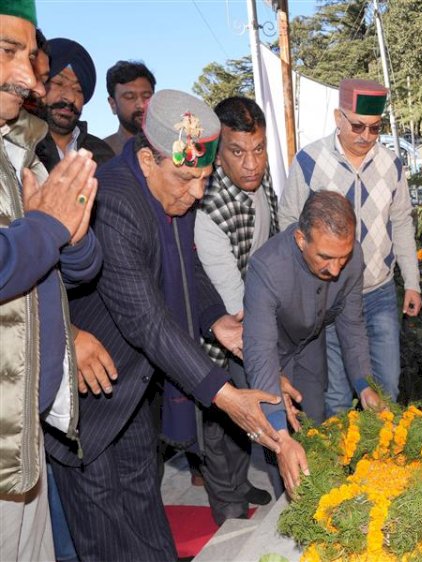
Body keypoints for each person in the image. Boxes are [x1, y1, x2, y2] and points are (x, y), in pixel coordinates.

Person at [43, 89, 284, 561]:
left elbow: (185, 266)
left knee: (149, 525)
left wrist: (218, 322)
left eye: (205, 177)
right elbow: (146, 319)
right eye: (185, 178)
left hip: (128, 392)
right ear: (149, 160)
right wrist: (226, 395)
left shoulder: (168, 190)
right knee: (107, 541)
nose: (197, 193)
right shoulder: (112, 201)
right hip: (85, 410)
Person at [1, 2, 101, 559]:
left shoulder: (23, 147)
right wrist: (47, 227)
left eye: (29, 57)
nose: (27, 76)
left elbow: (81, 268)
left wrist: (73, 232)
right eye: (6, 52)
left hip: (29, 424)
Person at [278, 78, 421, 418]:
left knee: (387, 390)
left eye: (375, 128)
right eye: (357, 125)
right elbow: (288, 222)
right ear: (337, 117)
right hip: (327, 295)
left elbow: (401, 222)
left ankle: (386, 467)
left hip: (379, 293)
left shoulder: (392, 164)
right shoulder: (309, 161)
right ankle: (344, 468)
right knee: (337, 396)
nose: (366, 136)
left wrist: (412, 282)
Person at [245, 191, 383, 492]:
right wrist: (280, 435)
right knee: (282, 444)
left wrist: (364, 386)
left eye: (343, 258)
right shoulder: (266, 267)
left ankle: (323, 507)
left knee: (317, 427)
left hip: (307, 346)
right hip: (267, 355)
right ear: (299, 239)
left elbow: (352, 324)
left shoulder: (352, 256)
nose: (335, 271)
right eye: (325, 258)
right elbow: (260, 349)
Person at [194, 96, 281, 523]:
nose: (251, 164)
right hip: (220, 335)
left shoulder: (260, 181)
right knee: (222, 423)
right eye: (237, 152)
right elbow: (233, 305)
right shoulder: (208, 210)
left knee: (246, 425)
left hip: (256, 316)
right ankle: (227, 514)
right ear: (217, 151)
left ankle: (242, 483)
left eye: (259, 149)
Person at [35, 37, 114, 170]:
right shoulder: (20, 146)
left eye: (78, 90)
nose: (70, 97)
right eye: (59, 83)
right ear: (39, 85)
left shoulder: (102, 155)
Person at [103, 60, 155, 154]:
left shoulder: (172, 150)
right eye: (130, 97)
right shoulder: (100, 154)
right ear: (113, 104)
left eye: (147, 96)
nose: (141, 105)